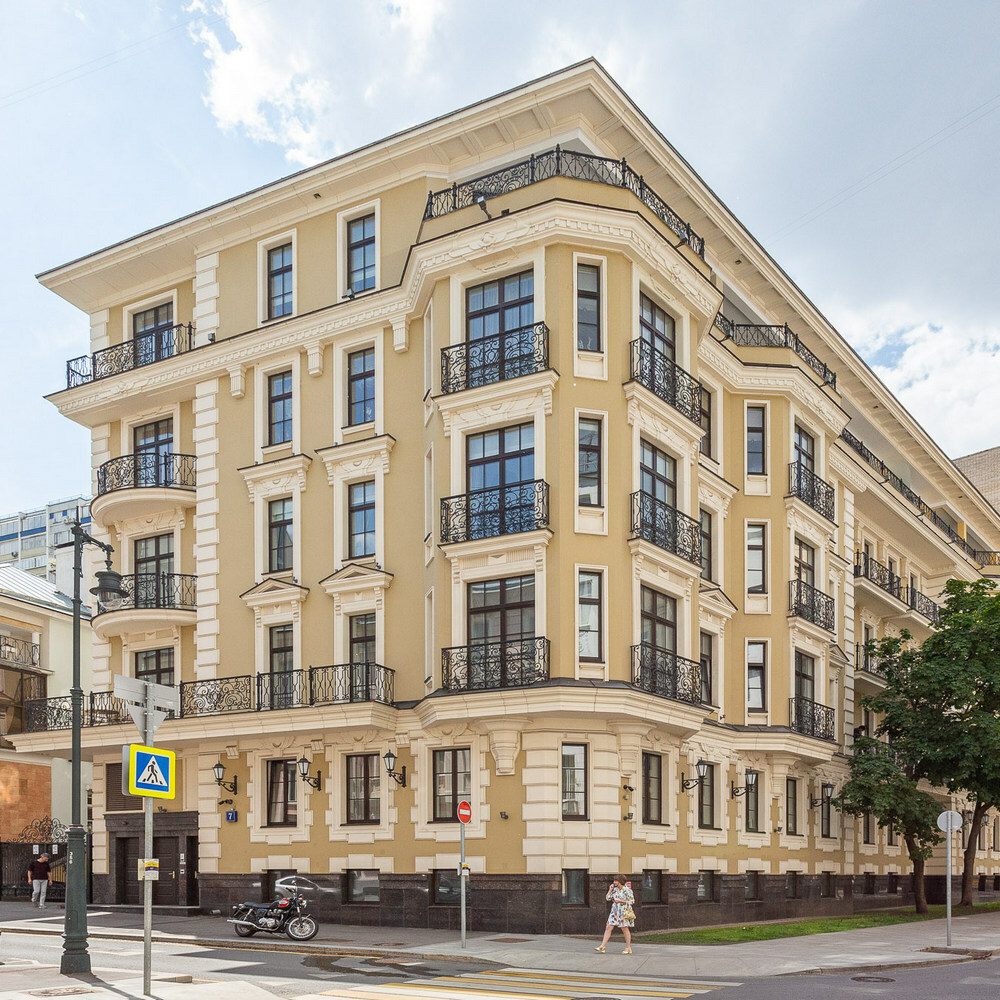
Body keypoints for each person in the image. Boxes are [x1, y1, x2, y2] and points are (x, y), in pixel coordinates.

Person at [594, 874, 634, 954]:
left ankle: (628, 947)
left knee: (624, 928)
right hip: (615, 911)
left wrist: (620, 901)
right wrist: (610, 890)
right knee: (608, 927)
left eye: (616, 881)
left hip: (623, 911)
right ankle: (602, 946)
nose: (614, 882)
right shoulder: (615, 889)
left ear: (620, 881)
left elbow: (632, 901)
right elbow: (608, 898)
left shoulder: (627, 890)